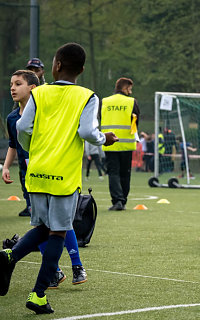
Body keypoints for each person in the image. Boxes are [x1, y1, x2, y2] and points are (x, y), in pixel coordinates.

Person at [0, 43, 118, 314]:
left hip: (37, 172)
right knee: (58, 231)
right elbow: (88, 131)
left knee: (43, 227)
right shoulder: (88, 96)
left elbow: (22, 127)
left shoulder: (39, 93)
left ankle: (10, 255)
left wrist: (34, 148)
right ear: (82, 69)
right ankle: (38, 294)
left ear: (56, 65)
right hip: (63, 176)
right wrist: (105, 139)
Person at [3, 70, 39, 217]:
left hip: (44, 170)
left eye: (18, 84)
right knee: (34, 214)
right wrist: (5, 167)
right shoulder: (12, 118)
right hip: (25, 172)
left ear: (32, 88)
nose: (12, 88)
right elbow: (13, 145)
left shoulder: (42, 113)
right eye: (11, 84)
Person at [100, 77, 140, 211]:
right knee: (125, 173)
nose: (130, 91)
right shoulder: (131, 102)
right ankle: (123, 201)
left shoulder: (104, 101)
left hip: (109, 143)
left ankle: (117, 200)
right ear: (124, 88)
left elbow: (100, 118)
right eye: (129, 88)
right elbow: (136, 121)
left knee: (113, 173)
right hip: (127, 144)